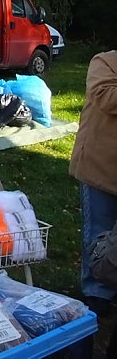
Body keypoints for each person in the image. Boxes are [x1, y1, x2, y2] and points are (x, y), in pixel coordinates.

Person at [70, 51, 117, 318]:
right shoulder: (106, 61)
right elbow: (104, 97)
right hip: (99, 166)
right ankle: (96, 292)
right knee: (99, 233)